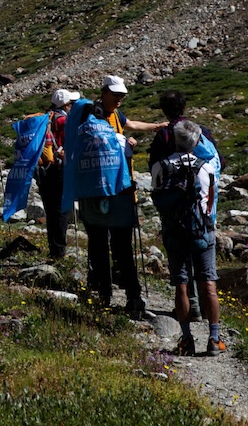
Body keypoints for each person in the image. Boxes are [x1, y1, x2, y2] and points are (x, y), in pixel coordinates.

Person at [78, 75, 165, 316]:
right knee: (110, 244)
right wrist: (124, 143)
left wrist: (155, 126)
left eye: (122, 95)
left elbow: (131, 124)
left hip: (111, 187)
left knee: (110, 245)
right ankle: (115, 293)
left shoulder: (115, 114)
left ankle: (118, 293)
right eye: (115, 94)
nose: (119, 99)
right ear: (103, 92)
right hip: (106, 189)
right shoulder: (92, 115)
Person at [151, 119, 223, 356]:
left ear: (175, 139)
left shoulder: (161, 166)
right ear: (196, 141)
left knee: (181, 285)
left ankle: (186, 338)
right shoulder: (207, 167)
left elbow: (157, 197)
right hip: (201, 230)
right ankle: (214, 338)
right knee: (208, 283)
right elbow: (210, 202)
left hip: (174, 230)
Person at [33, 88, 78, 259]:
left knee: (51, 210)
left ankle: (54, 248)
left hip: (44, 169)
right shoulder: (64, 121)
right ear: (66, 105)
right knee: (61, 210)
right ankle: (59, 251)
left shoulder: (45, 118)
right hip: (59, 169)